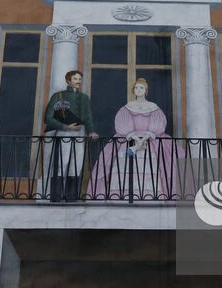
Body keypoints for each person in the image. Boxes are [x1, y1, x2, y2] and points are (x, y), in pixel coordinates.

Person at [90, 78, 173, 200]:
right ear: (133, 90)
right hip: (129, 140)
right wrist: (134, 137)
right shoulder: (127, 107)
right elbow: (122, 125)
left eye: (141, 88)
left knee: (151, 167)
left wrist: (143, 139)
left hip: (149, 141)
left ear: (146, 90)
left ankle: (147, 196)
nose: (138, 90)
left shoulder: (153, 107)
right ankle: (124, 195)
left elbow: (158, 125)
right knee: (124, 167)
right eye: (136, 88)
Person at [43, 70, 97, 201]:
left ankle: (72, 197)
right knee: (62, 162)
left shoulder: (84, 97)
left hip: (80, 133)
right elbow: (48, 118)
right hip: (63, 132)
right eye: (75, 79)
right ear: (68, 81)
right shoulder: (58, 96)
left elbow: (88, 117)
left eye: (79, 79)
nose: (78, 81)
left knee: (77, 164)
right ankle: (56, 196)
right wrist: (65, 127)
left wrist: (91, 131)